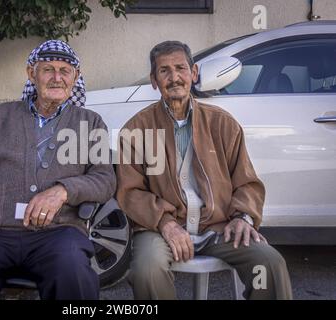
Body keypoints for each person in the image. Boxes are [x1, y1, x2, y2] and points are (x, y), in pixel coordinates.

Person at [0, 40, 116, 300]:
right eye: (48, 70)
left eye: (64, 71)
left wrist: (63, 191)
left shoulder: (90, 123)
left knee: (73, 273)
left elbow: (104, 179)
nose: (57, 78)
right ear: (31, 74)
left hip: (58, 235)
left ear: (75, 77)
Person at [116, 40, 292, 300]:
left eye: (180, 68)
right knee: (147, 269)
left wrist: (242, 217)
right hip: (160, 229)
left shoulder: (223, 123)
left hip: (219, 227)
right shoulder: (136, 129)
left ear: (194, 73)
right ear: (154, 80)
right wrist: (165, 223)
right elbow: (130, 192)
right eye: (164, 71)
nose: (174, 77)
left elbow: (246, 182)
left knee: (267, 264)